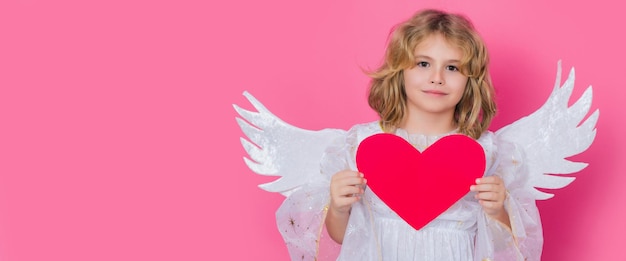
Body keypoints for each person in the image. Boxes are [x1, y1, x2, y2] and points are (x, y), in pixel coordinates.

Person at [323, 9, 543, 260]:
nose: (437, 78)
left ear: (470, 79)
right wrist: (339, 209)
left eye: (452, 67)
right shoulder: (361, 145)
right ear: (400, 70)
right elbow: (343, 237)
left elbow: (508, 244)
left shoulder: (486, 153)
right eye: (423, 64)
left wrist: (497, 211)